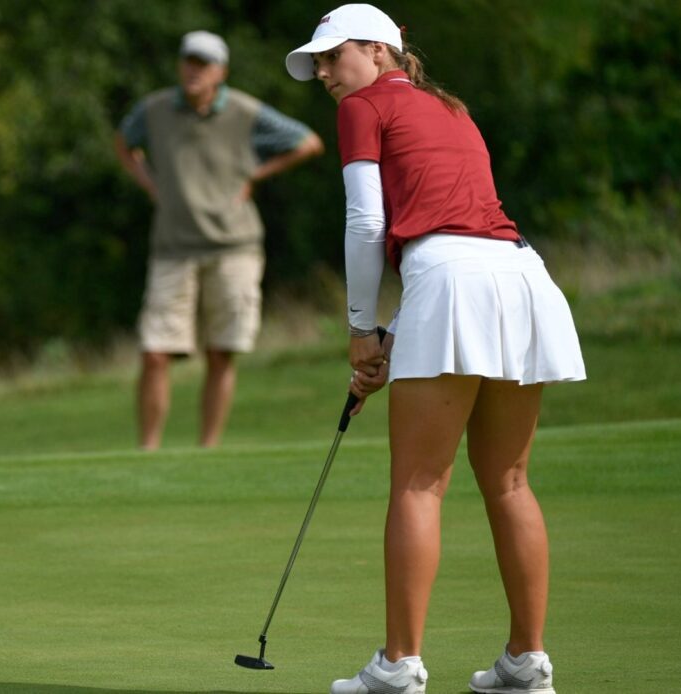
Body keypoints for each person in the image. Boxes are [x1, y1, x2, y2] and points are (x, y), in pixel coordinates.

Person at [284, 5, 585, 693]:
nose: (326, 72)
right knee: (509, 480)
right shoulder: (453, 109)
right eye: (320, 62)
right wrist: (392, 337)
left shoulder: (364, 106)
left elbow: (368, 222)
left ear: (380, 52)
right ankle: (526, 661)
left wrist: (363, 328)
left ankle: (398, 666)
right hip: (521, 274)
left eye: (335, 55)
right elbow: (453, 227)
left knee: (420, 483)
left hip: (452, 277)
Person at [115, 30, 325, 450]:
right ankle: (147, 451)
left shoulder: (245, 111)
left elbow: (308, 143)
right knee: (155, 351)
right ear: (180, 65)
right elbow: (124, 143)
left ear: (221, 72)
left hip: (234, 246)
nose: (194, 70)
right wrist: (149, 183)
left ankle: (208, 450)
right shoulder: (154, 109)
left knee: (220, 351)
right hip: (173, 246)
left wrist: (255, 175)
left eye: (204, 64)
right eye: (189, 61)